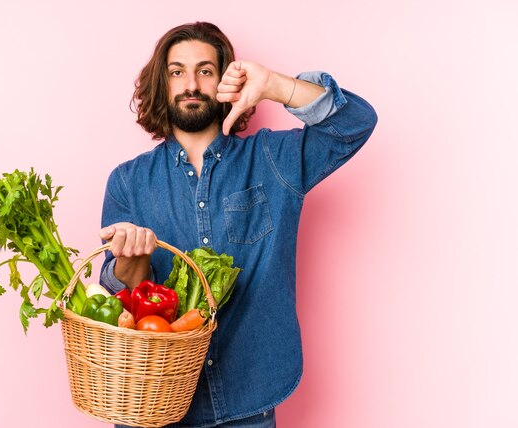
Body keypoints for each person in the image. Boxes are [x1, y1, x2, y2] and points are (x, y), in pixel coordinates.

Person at [99, 21, 377, 428]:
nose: (191, 83)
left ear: (226, 82)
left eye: (205, 71)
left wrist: (274, 85)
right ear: (162, 84)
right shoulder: (127, 182)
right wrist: (130, 259)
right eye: (177, 72)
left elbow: (355, 124)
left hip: (251, 398)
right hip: (153, 405)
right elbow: (119, 298)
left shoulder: (273, 160)